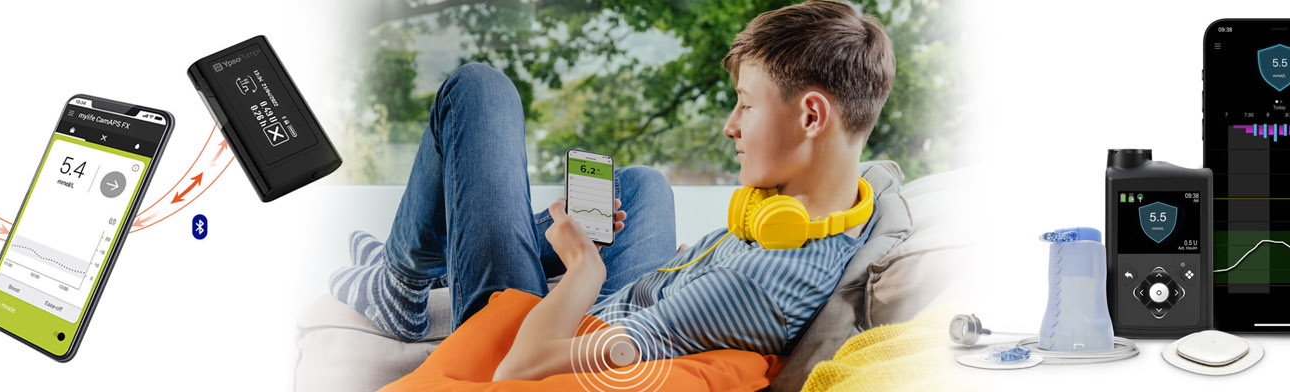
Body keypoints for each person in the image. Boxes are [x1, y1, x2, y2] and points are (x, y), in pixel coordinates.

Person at [329, 0, 896, 381]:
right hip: (644, 300)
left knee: (479, 90)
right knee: (644, 184)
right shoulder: (854, 199)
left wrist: (582, 269)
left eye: (746, 104)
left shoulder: (751, 289)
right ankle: (439, 263)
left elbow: (520, 369)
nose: (730, 125)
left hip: (553, 326)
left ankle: (401, 285)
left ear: (813, 116)